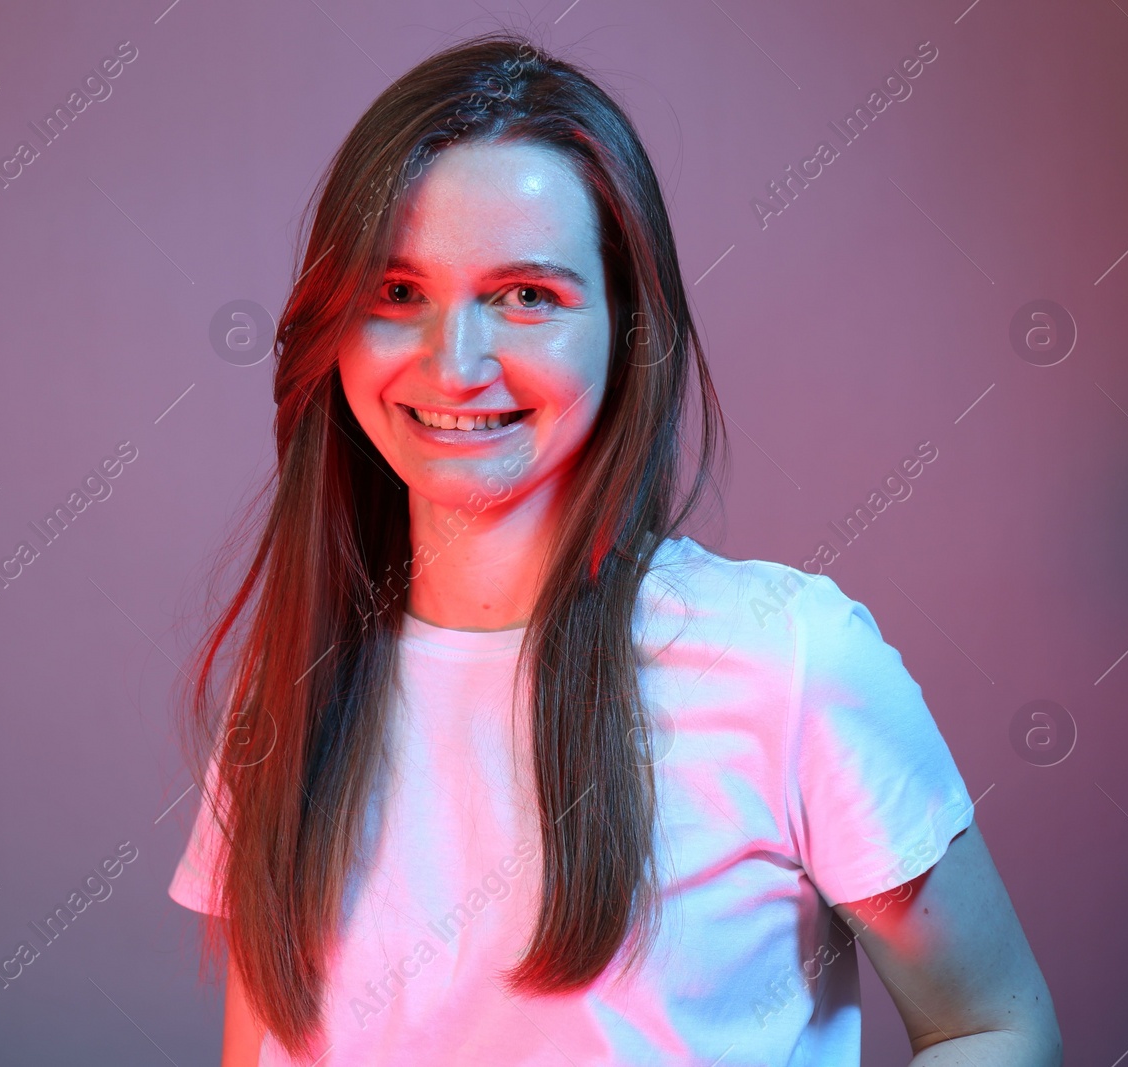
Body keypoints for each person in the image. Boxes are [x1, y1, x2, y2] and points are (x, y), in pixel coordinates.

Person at [168, 31, 1061, 1067]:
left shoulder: (791, 659)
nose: (454, 363)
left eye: (526, 296)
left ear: (628, 328)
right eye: (397, 291)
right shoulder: (290, 680)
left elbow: (992, 1020)